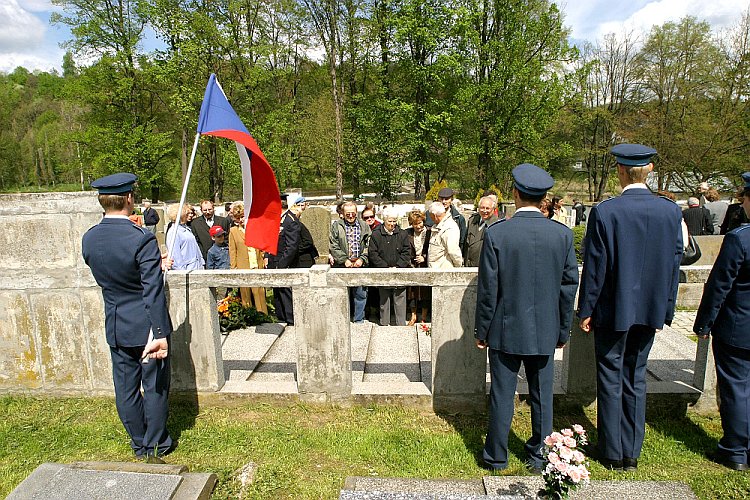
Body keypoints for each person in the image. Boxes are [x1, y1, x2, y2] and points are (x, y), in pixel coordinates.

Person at [578, 144, 683, 472]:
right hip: (649, 309)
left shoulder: (607, 211)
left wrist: (586, 309)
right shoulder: (670, 211)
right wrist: (666, 306)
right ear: (649, 170)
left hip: (613, 310)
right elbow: (674, 264)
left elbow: (596, 267)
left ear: (621, 171)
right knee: (635, 377)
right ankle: (631, 452)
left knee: (610, 377)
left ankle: (612, 451)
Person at [475, 163, 579, 473]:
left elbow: (488, 289)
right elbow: (567, 287)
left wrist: (482, 330)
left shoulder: (498, 233)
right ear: (544, 198)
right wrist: (563, 330)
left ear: (516, 194)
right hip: (545, 329)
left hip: (506, 329)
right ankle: (540, 455)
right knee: (542, 396)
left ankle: (496, 456)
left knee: (502, 395)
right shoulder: (561, 235)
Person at [81, 173, 175, 461]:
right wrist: (159, 333)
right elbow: (151, 290)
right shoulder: (142, 240)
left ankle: (138, 443)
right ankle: (155, 443)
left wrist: (152, 265)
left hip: (117, 322)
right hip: (146, 325)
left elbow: (114, 274)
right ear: (129, 199)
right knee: (155, 386)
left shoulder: (90, 237)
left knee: (125, 388)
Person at [693, 172, 750, 471]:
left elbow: (718, 286)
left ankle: (736, 450)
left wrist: (703, 324)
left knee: (736, 387)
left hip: (738, 328)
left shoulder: (740, 239)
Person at [330, 201, 371, 323]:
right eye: (348, 214)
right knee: (342, 294)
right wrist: (344, 260)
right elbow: (333, 245)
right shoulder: (337, 226)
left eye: (353, 213)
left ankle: (359, 319)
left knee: (360, 294)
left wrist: (362, 259)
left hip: (359, 264)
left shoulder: (364, 225)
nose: (351, 216)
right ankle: (342, 320)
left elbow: (369, 244)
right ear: (342, 214)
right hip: (343, 265)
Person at [369, 206, 411, 326]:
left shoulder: (402, 234)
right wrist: (385, 267)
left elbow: (406, 252)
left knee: (400, 298)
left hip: (399, 270)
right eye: (390, 221)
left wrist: (398, 266)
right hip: (383, 270)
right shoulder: (376, 234)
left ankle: (400, 324)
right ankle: (384, 323)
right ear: (384, 220)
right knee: (384, 299)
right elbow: (373, 253)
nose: (392, 224)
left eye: (394, 221)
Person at [267, 195, 302, 325]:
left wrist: (281, 264)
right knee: (277, 291)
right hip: (274, 261)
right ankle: (281, 317)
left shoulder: (290, 220)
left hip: (285, 264)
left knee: (285, 292)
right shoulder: (277, 220)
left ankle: (291, 319)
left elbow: (291, 246)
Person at [228, 201, 268, 314]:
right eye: (238, 218)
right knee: (245, 294)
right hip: (243, 266)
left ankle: (263, 315)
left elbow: (262, 247)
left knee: (259, 292)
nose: (241, 220)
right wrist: (233, 267)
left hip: (256, 265)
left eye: (243, 216)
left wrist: (264, 259)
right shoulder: (233, 231)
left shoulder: (256, 229)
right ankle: (248, 316)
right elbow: (232, 251)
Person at [406, 210, 431, 325]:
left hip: (425, 265)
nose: (418, 226)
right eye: (415, 224)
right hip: (412, 264)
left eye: (420, 223)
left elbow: (434, 249)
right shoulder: (407, 233)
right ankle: (413, 316)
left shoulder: (430, 232)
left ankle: (424, 317)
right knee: (412, 292)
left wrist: (425, 257)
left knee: (425, 292)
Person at [191, 200, 231, 265]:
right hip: (204, 258)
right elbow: (196, 241)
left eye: (210, 209)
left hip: (222, 259)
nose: (207, 212)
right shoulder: (195, 223)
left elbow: (227, 238)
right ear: (201, 210)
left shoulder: (223, 221)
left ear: (213, 208)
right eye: (205, 210)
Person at [463, 195, 500, 267]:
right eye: (482, 208)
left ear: (493, 209)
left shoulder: (497, 225)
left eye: (487, 208)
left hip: (484, 267)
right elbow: (466, 243)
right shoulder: (472, 220)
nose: (484, 211)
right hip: (468, 265)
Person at [166, 203, 205, 270]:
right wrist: (181, 273)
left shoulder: (186, 228)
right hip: (187, 270)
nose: (190, 215)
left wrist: (202, 262)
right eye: (187, 213)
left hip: (196, 268)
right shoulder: (174, 232)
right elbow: (175, 256)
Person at [427, 202, 463, 268]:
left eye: (430, 216)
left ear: (434, 215)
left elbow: (453, 251)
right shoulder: (437, 226)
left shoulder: (449, 228)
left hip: (444, 270)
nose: (430, 218)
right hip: (435, 269)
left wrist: (458, 268)